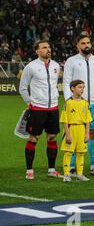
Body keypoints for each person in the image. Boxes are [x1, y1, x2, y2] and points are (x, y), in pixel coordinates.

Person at [63, 35, 94, 176]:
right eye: (83, 43)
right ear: (78, 45)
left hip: (93, 103)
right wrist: (68, 100)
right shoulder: (72, 61)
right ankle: (71, 166)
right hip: (76, 104)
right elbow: (66, 81)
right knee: (74, 134)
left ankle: (93, 166)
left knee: (92, 134)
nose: (86, 45)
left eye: (88, 42)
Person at [19, 40, 61, 180]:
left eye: (49, 47)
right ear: (37, 51)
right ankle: (29, 170)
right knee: (33, 138)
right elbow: (23, 88)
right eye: (44, 47)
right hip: (37, 109)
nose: (48, 49)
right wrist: (31, 103)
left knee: (52, 137)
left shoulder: (56, 65)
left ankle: (51, 169)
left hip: (53, 108)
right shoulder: (31, 67)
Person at [61, 80, 92, 182]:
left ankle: (80, 174)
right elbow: (64, 120)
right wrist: (68, 134)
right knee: (68, 152)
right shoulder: (68, 103)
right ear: (72, 88)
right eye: (79, 87)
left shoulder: (85, 103)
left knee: (81, 153)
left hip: (81, 130)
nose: (82, 89)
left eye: (83, 87)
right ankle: (66, 174)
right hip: (71, 129)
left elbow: (87, 120)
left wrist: (87, 133)